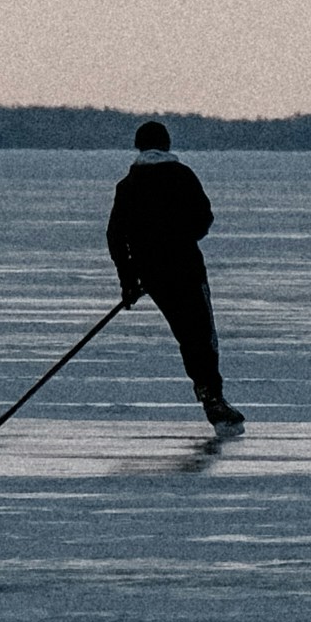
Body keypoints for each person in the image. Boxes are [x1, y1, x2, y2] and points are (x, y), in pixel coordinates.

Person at [106, 120, 243, 431]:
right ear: (166, 145)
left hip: (151, 275)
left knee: (186, 334)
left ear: (138, 147)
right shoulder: (182, 176)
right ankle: (212, 398)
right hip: (186, 270)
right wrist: (180, 239)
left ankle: (211, 397)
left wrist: (128, 280)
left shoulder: (128, 185)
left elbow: (116, 236)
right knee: (201, 334)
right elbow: (203, 218)